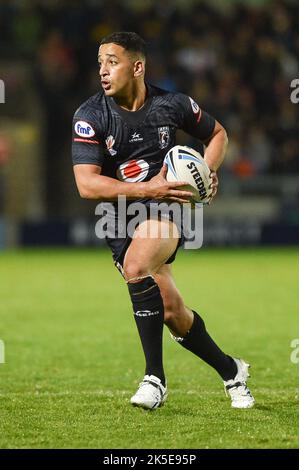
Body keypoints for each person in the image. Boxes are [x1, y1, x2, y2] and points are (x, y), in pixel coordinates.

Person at [72, 31, 254, 410]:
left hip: (166, 209)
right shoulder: (90, 115)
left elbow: (218, 133)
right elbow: (87, 185)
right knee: (172, 312)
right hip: (119, 217)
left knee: (138, 266)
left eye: (112, 62)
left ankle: (154, 378)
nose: (103, 71)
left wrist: (207, 170)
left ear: (137, 67)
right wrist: (145, 190)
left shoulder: (172, 105)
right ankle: (231, 370)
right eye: (100, 63)